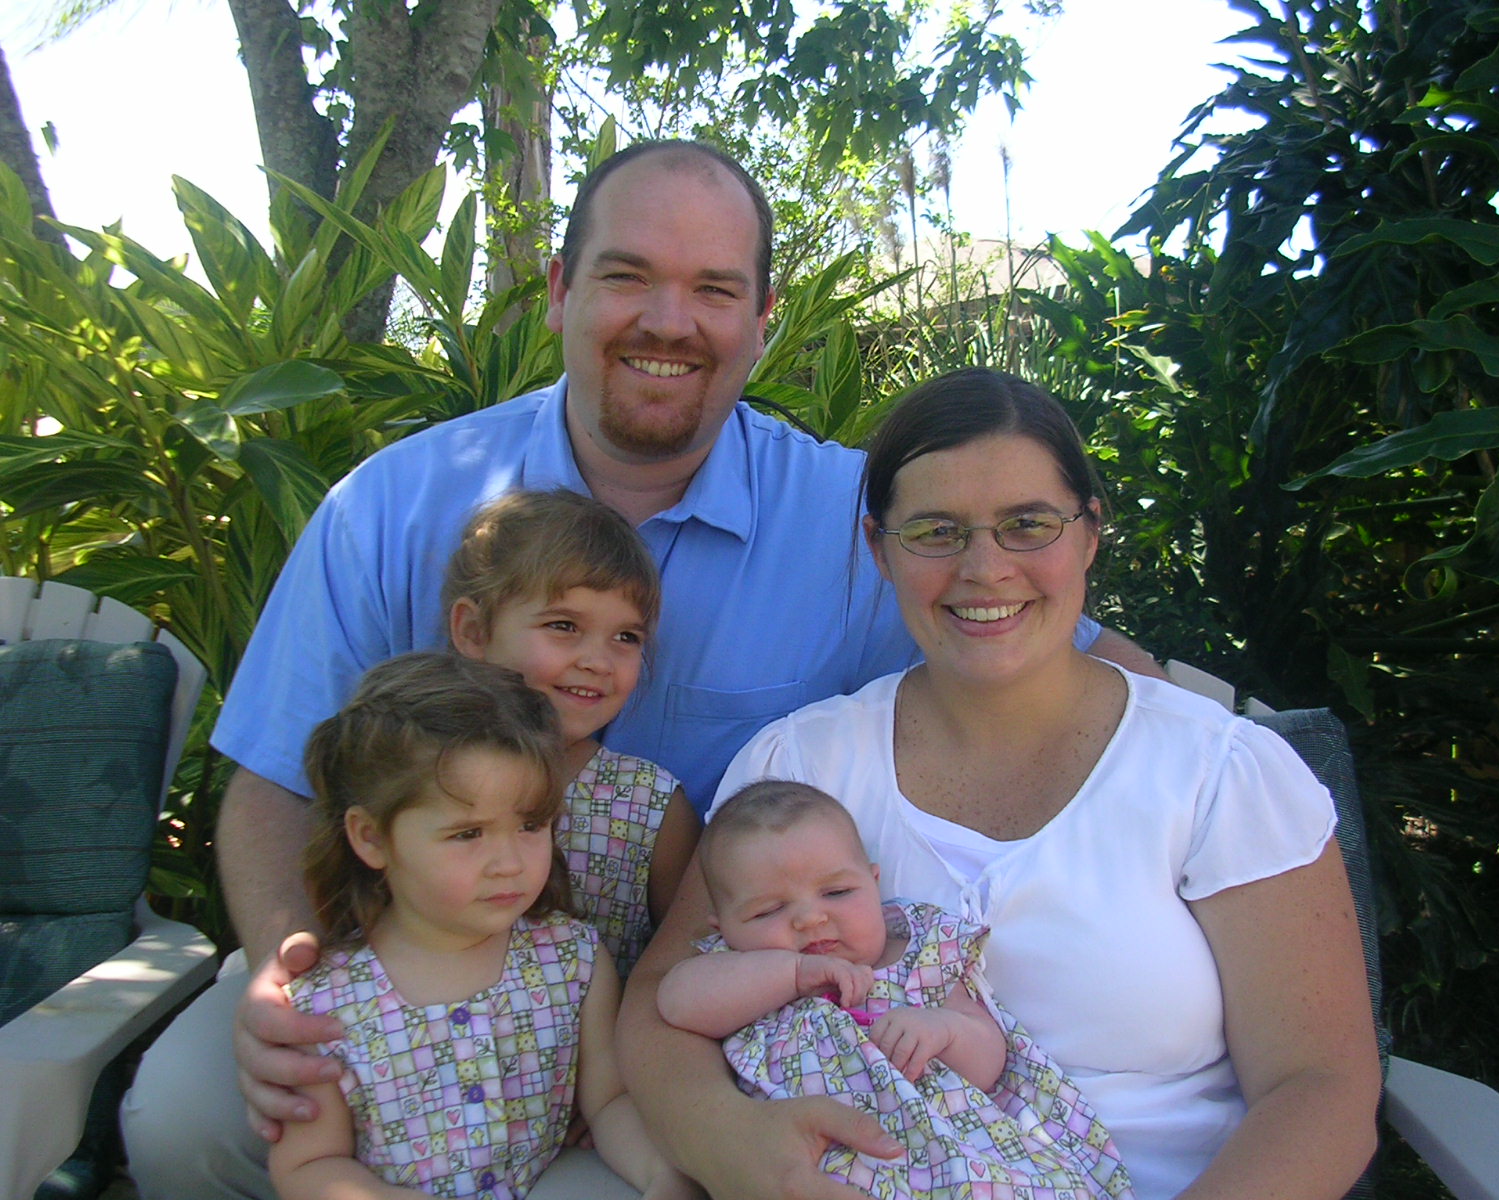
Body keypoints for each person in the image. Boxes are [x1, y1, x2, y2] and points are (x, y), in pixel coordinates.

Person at [122, 140, 1160, 1200]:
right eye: (627, 276)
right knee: (183, 1123)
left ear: (762, 322)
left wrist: (1222, 751)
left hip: (703, 1011)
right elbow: (271, 781)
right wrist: (288, 977)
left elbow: (1040, 635)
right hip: (411, 967)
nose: (669, 321)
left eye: (714, 289)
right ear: (562, 291)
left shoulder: (851, 525)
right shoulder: (395, 508)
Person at [619, 368, 1382, 1200]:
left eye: (1028, 525)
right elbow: (662, 997)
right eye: (936, 532)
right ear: (880, 550)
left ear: (1090, 534)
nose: (985, 568)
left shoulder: (1220, 774)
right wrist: (731, 1146)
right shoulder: (801, 765)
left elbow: (1320, 1088)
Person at [267, 652, 692, 1200]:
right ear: (371, 838)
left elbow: (608, 1102)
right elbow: (309, 1164)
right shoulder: (323, 1004)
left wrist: (661, 1176)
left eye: (531, 825)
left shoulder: (573, 961)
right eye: (468, 834)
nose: (510, 862)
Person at [657, 780, 1134, 1200]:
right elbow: (678, 1002)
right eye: (767, 912)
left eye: (837, 893)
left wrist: (943, 1031)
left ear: (874, 883)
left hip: (950, 1159)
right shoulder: (737, 972)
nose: (810, 918)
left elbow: (992, 1063)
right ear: (724, 928)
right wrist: (792, 974)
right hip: (806, 1164)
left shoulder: (918, 959)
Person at [444, 487, 699, 979]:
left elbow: (688, 964)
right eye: (563, 625)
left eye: (626, 637)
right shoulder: (416, 775)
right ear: (473, 631)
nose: (597, 661)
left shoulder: (650, 807)